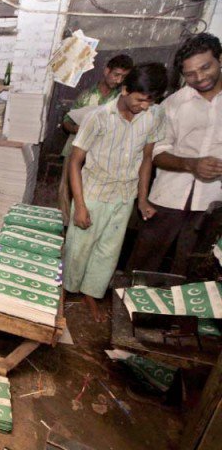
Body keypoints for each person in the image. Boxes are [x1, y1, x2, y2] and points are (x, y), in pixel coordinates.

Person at [64, 63, 168, 322]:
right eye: (140, 99)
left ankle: (91, 293)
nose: (144, 106)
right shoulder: (98, 116)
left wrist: (142, 200)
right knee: (78, 247)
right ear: (124, 89)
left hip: (124, 195)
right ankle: (64, 291)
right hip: (93, 193)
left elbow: (146, 160)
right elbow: (75, 162)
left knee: (108, 251)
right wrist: (80, 205)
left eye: (150, 101)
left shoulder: (154, 115)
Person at [127, 33, 222, 276]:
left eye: (205, 67)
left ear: (219, 59)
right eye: (190, 74)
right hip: (168, 197)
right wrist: (190, 164)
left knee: (193, 270)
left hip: (212, 202)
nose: (199, 78)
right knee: (144, 264)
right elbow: (156, 153)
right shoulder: (174, 104)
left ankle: (179, 315)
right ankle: (131, 312)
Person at [59, 54, 134, 224]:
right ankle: (65, 226)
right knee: (67, 189)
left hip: (101, 153)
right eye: (116, 74)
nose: (118, 80)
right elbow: (66, 122)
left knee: (88, 192)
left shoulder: (119, 99)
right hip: (75, 148)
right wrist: (77, 128)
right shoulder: (86, 95)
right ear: (106, 70)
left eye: (123, 77)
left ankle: (86, 220)